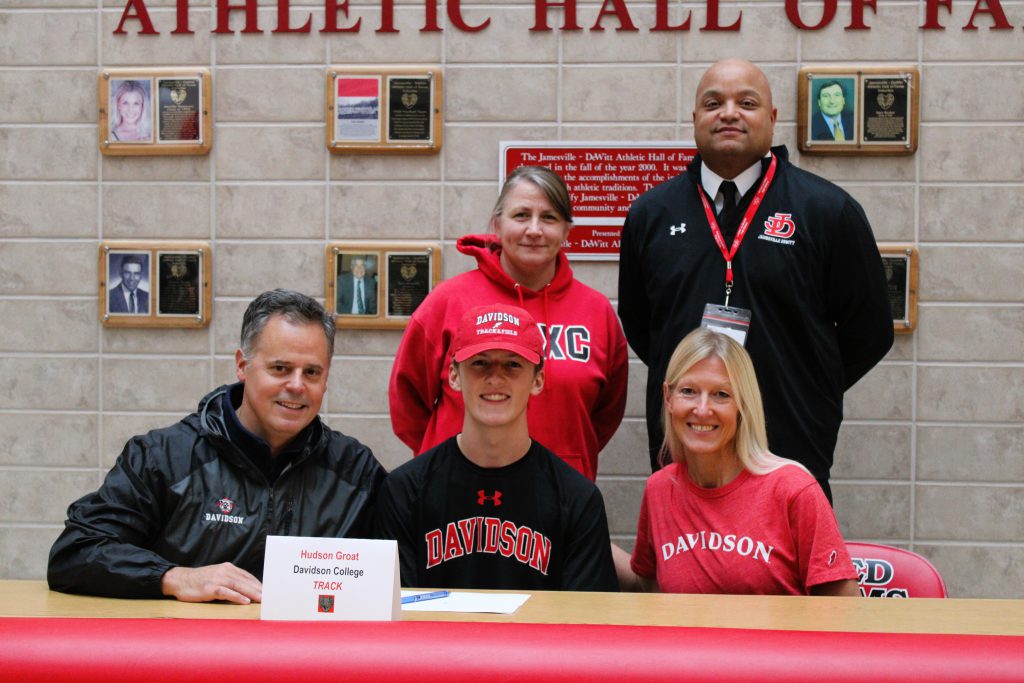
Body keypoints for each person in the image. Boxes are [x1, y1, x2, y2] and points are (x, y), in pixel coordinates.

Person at [618, 58, 893, 500]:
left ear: (772, 117)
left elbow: (871, 331)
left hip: (790, 448)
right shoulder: (651, 214)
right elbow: (643, 326)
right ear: (695, 119)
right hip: (688, 451)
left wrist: (805, 383)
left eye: (746, 102)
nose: (729, 113)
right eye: (714, 103)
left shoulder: (827, 211)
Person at [48, 289, 386, 603]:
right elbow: (75, 553)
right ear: (243, 365)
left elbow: (396, 581)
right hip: (187, 660)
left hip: (306, 661)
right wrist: (174, 577)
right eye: (280, 368)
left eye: (312, 372)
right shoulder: (163, 458)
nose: (296, 385)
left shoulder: (356, 471)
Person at [389, 166, 628, 482]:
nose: (534, 229)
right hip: (456, 487)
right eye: (521, 215)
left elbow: (605, 413)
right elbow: (407, 400)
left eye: (549, 218)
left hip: (557, 491)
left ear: (567, 231)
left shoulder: (596, 312)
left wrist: (569, 458)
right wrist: (442, 458)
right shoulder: (448, 301)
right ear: (497, 224)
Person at [376, 304, 618, 591]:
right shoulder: (404, 492)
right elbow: (394, 620)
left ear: (538, 379)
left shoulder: (578, 499)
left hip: (536, 638)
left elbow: (585, 626)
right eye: (480, 362)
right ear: (454, 375)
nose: (495, 377)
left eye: (513, 364)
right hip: (437, 638)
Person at [621, 328, 860, 596]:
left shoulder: (793, 489)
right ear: (668, 398)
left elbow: (844, 608)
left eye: (721, 394)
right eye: (688, 391)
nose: (702, 409)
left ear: (743, 405)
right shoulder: (660, 489)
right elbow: (649, 589)